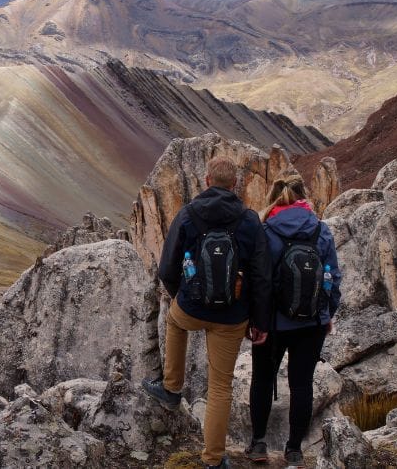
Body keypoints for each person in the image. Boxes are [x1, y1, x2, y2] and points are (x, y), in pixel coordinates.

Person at [141, 155, 271, 469]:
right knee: (220, 387)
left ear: (207, 180)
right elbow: (261, 276)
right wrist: (259, 321)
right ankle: (213, 460)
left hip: (192, 306)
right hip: (232, 315)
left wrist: (182, 296)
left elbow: (168, 267)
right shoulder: (250, 220)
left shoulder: (188, 214)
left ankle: (172, 388)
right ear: (235, 184)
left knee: (174, 320)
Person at [246, 173, 342, 468]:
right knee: (302, 385)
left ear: (274, 198)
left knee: (262, 380)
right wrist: (325, 316)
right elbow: (332, 278)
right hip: (310, 324)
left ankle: (258, 444)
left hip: (272, 325)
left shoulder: (265, 230)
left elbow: (258, 281)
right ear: (304, 199)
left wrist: (256, 322)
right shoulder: (321, 231)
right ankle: (295, 451)